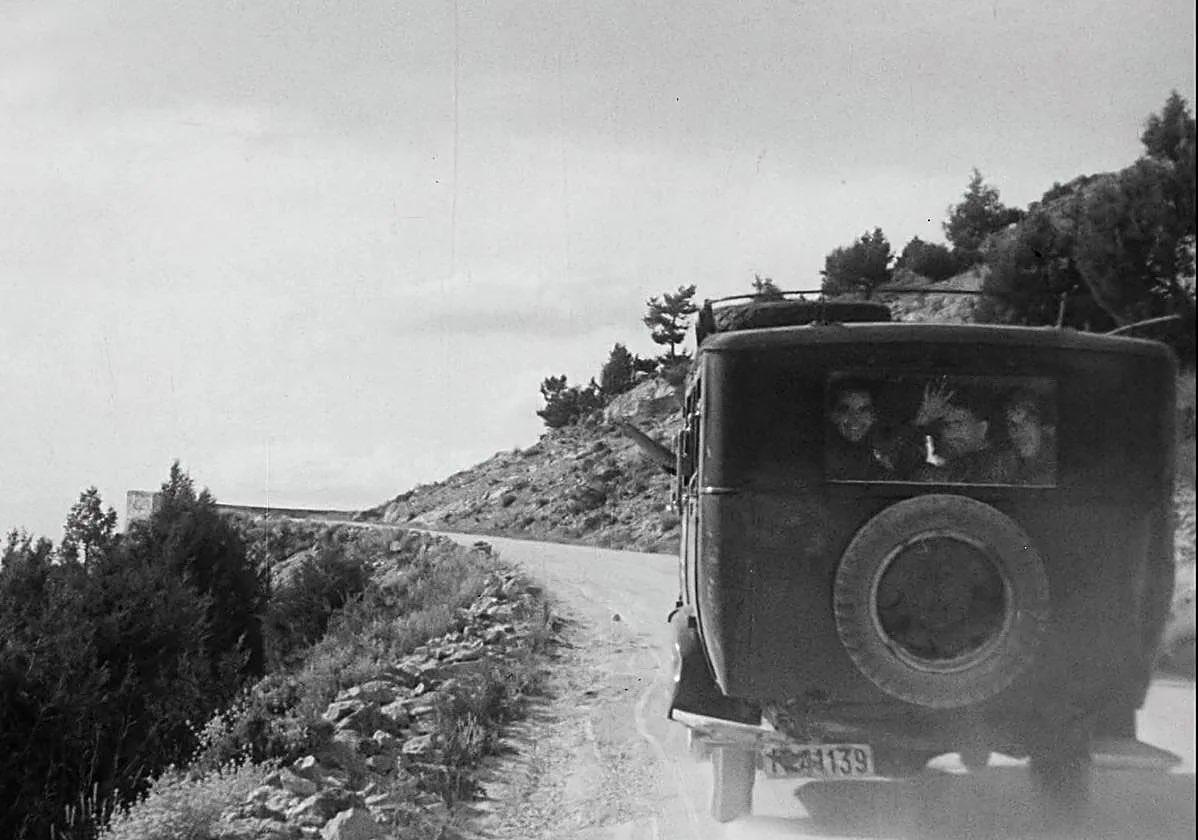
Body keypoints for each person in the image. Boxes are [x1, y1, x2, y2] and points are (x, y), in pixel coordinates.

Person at [913, 382, 1005, 484]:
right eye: (946, 425)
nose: (949, 434)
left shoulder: (998, 465)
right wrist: (920, 424)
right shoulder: (949, 467)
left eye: (958, 424)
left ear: (982, 428)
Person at [825, 383, 893, 480]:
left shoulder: (888, 453)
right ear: (834, 416)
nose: (855, 418)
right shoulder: (822, 457)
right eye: (845, 410)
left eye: (863, 410)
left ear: (874, 416)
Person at [994, 391, 1057, 485]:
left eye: (1027, 421)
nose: (1019, 431)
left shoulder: (1058, 467)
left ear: (1045, 427)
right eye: (1012, 425)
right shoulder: (1005, 466)